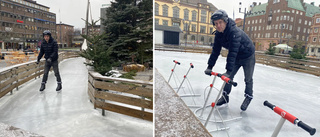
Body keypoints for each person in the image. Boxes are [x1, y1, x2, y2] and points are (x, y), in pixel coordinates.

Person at [204, 10, 255, 111]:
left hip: (248, 56)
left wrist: (228, 70)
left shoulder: (234, 32)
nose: (218, 26)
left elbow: (232, 52)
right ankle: (225, 97)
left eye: (220, 22)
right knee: (228, 77)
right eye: (216, 23)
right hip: (237, 56)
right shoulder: (218, 34)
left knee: (248, 79)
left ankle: (248, 96)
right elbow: (215, 51)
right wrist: (210, 66)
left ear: (225, 21)